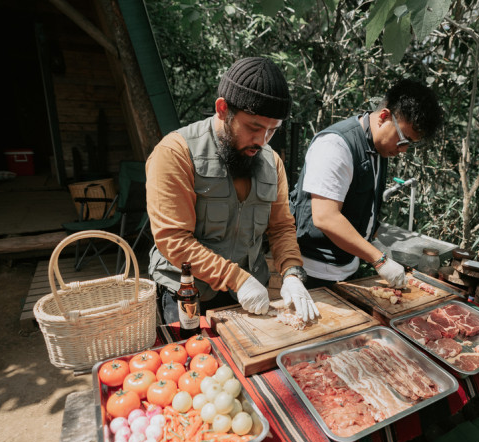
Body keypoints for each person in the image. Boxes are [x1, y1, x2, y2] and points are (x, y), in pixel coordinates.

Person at [146, 57, 319, 324]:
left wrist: (293, 273)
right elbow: (173, 239)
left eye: (272, 131)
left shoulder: (272, 162)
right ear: (223, 108)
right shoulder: (176, 153)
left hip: (250, 293)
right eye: (254, 127)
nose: (262, 141)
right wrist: (237, 279)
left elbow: (282, 227)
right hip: (187, 292)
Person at [290, 79, 443, 289]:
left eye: (410, 144)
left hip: (346, 269)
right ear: (384, 117)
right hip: (313, 272)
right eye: (404, 139)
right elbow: (325, 217)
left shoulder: (378, 151)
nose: (404, 149)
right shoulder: (336, 145)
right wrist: (380, 260)